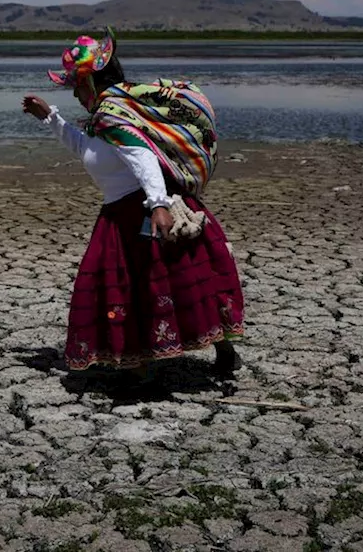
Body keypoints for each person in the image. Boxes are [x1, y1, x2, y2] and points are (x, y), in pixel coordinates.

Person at [21, 27, 245, 386]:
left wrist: (157, 205)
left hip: (138, 214)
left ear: (92, 82)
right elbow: (88, 151)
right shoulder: (104, 118)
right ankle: (153, 361)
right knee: (177, 285)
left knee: (149, 288)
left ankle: (143, 367)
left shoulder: (112, 114)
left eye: (78, 86)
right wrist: (50, 118)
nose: (76, 95)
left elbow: (142, 157)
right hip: (118, 214)